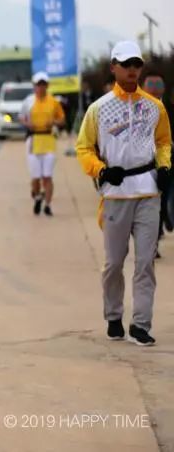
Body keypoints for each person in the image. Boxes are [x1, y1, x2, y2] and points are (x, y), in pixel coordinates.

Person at [76, 40, 171, 347]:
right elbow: (83, 148)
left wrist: (165, 166)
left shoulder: (154, 106)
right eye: (126, 64)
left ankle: (141, 324)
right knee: (114, 263)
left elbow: (164, 142)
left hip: (147, 191)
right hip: (116, 193)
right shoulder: (98, 109)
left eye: (136, 65)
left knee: (145, 262)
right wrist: (100, 170)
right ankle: (114, 315)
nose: (132, 70)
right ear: (113, 67)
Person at [20, 72, 66, 216]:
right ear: (34, 86)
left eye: (43, 85)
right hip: (33, 141)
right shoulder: (28, 101)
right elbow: (21, 117)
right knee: (36, 177)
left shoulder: (53, 102)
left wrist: (54, 122)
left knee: (47, 176)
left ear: (47, 86)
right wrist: (28, 124)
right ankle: (38, 196)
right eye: (38, 85)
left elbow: (62, 120)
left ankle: (47, 205)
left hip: (48, 141)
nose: (41, 87)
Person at [142, 73, 171, 250]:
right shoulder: (138, 110)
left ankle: (166, 218)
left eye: (157, 87)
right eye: (150, 87)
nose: (154, 90)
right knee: (152, 203)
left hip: (167, 162)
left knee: (164, 198)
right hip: (146, 165)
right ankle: (153, 242)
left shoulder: (169, 109)